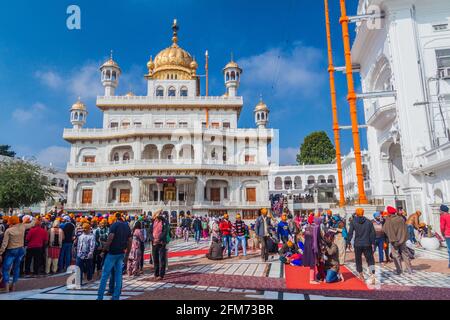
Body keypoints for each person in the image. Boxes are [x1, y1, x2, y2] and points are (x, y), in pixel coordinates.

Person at [97, 213, 132, 300]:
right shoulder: (126, 226)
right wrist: (127, 255)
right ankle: (116, 296)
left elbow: (110, 238)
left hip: (112, 253)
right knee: (118, 275)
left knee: (105, 275)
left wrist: (104, 250)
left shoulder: (114, 225)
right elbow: (130, 241)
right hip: (121, 252)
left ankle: (100, 297)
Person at [0, 216, 35, 293]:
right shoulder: (22, 226)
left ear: (11, 222)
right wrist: (33, 218)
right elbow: (32, 224)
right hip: (20, 249)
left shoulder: (8, 230)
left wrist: (0, 252)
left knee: (5, 269)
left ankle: (6, 287)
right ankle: (14, 286)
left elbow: (4, 243)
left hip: (11, 250)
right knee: (16, 268)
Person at [347, 208, 376, 284]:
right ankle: (372, 274)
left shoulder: (353, 222)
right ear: (363, 213)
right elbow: (373, 233)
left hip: (358, 244)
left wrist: (348, 242)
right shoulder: (369, 222)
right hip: (367, 243)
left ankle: (361, 274)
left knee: (358, 260)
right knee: (370, 260)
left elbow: (350, 233)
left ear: (356, 213)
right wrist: (373, 243)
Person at [383, 206, 412, 275]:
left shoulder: (389, 220)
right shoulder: (401, 219)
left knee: (396, 255)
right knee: (405, 254)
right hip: (402, 239)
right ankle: (409, 269)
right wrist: (404, 238)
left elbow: (385, 229)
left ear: (389, 213)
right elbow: (405, 229)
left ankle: (399, 270)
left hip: (394, 241)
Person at [149, 210, 170, 280]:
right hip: (154, 243)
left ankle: (161, 274)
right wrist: (152, 239)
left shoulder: (164, 222)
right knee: (155, 259)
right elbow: (150, 232)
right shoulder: (153, 222)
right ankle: (156, 273)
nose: (157, 216)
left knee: (162, 259)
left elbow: (165, 231)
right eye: (156, 215)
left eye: (159, 215)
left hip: (161, 243)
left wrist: (159, 239)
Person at [302, 214, 322, 284]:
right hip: (313, 246)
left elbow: (305, 236)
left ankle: (314, 278)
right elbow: (319, 238)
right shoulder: (316, 227)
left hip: (307, 246)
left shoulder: (307, 227)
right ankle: (311, 279)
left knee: (312, 262)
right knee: (313, 262)